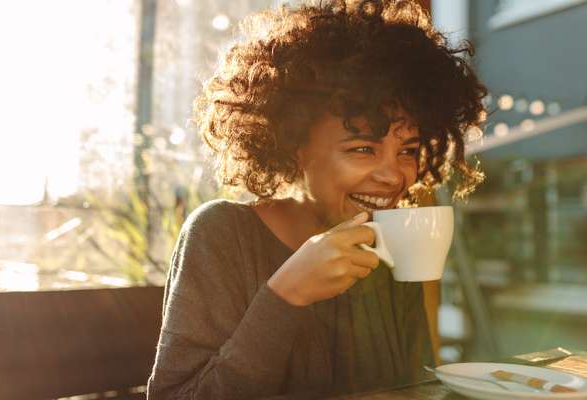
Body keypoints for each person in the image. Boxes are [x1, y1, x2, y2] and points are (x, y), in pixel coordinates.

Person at [147, 0, 486, 398]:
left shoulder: (390, 241)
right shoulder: (221, 234)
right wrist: (286, 294)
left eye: (408, 151)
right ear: (293, 145)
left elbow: (414, 388)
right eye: (363, 149)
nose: (394, 175)